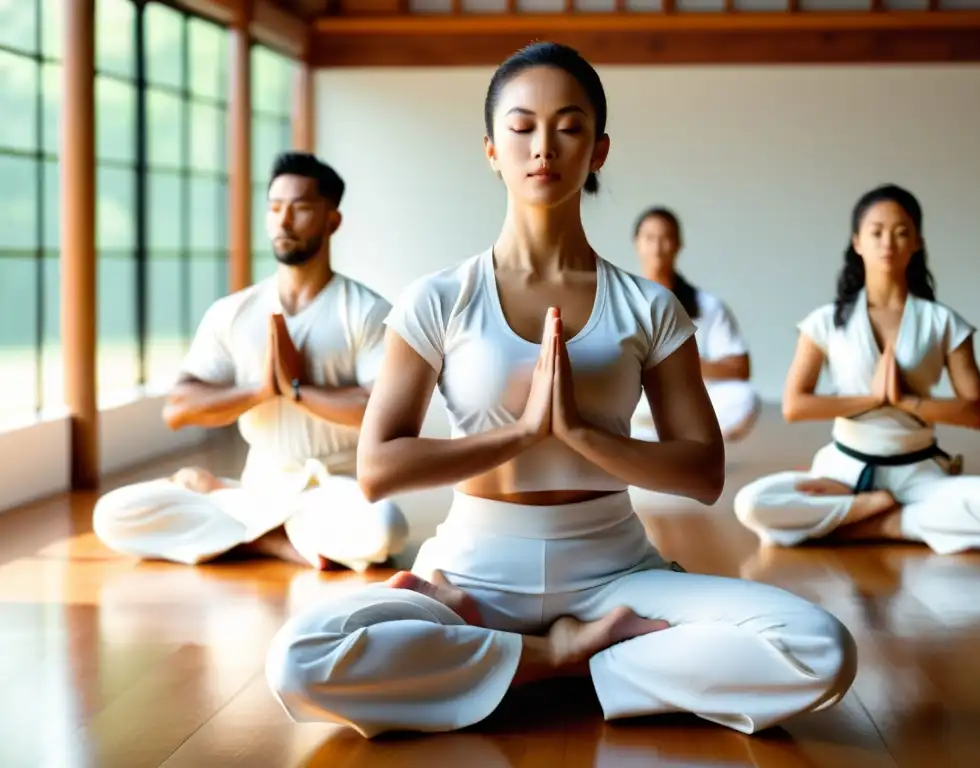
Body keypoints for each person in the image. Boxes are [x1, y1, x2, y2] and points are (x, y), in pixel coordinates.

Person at [263, 42, 856, 739]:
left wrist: (581, 434)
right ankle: (565, 658)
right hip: (470, 576)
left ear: (599, 150)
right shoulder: (439, 297)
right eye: (521, 127)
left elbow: (702, 473)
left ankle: (508, 668)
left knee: (819, 647)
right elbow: (377, 468)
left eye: (569, 126)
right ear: (490, 149)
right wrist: (520, 433)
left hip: (614, 571)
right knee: (298, 660)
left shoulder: (648, 306)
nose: (543, 146)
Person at [92, 152, 409, 572]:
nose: (284, 221)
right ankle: (276, 541)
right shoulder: (234, 312)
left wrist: (298, 390)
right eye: (275, 208)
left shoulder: (365, 312)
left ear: (332, 220)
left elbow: (381, 414)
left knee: (386, 528)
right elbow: (178, 409)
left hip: (333, 489)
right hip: (259, 488)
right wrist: (261, 391)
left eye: (300, 208)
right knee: (113, 515)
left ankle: (238, 521)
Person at [734, 184, 980, 555]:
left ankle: (867, 524)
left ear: (918, 242)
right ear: (857, 242)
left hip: (920, 473)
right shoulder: (825, 321)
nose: (889, 241)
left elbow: (974, 412)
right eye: (876, 232)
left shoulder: (943, 322)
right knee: (752, 503)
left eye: (902, 232)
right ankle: (885, 515)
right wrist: (872, 399)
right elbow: (795, 406)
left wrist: (906, 402)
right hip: (841, 473)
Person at [630, 206, 760, 443]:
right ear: (637, 243)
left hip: (689, 404)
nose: (657, 248)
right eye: (649, 238)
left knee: (743, 397)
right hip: (636, 407)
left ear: (678, 244)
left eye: (665, 238)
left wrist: (680, 363)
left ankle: (691, 443)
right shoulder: (619, 301)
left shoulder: (707, 306)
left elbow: (740, 368)